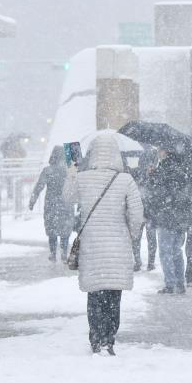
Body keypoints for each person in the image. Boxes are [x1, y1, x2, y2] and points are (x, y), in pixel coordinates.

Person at [63, 135, 144, 355]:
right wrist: (132, 234)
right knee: (113, 296)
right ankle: (109, 337)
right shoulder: (125, 180)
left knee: (95, 295)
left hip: (92, 246)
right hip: (118, 246)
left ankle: (96, 337)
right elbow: (137, 215)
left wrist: (72, 172)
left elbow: (67, 199)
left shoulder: (82, 178)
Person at [145, 150, 192, 295]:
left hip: (166, 217)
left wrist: (152, 176)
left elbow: (158, 193)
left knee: (165, 251)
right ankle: (180, 283)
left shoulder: (164, 169)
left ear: (165, 152)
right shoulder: (182, 168)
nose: (158, 152)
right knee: (176, 251)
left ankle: (170, 284)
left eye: (160, 150)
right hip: (179, 218)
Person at [29, 146, 75, 262]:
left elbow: (39, 186)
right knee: (65, 230)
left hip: (51, 203)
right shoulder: (69, 170)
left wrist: (32, 201)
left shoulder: (47, 170)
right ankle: (64, 253)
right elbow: (77, 185)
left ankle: (53, 253)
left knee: (52, 230)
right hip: (66, 202)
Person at [130, 149, 158, 271]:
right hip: (147, 209)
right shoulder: (140, 173)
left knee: (141, 237)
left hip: (143, 209)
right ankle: (143, 262)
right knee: (142, 237)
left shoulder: (155, 174)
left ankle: (141, 261)